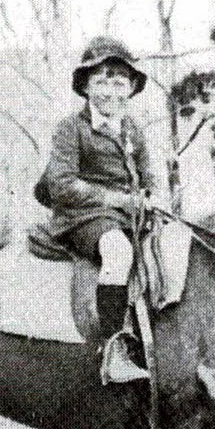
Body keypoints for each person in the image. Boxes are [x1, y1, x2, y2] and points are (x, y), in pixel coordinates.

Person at [34, 36, 168, 382]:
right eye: (101, 81)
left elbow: (149, 178)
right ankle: (113, 351)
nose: (110, 91)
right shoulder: (71, 128)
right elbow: (61, 184)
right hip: (81, 218)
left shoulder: (132, 129)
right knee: (118, 252)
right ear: (86, 88)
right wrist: (118, 200)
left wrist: (150, 198)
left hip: (128, 217)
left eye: (119, 82)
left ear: (131, 88)